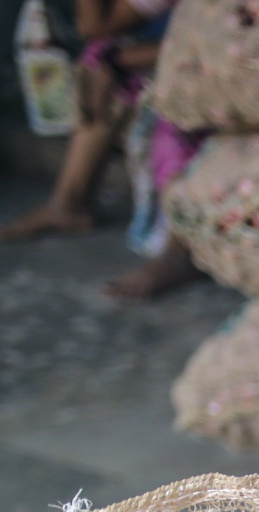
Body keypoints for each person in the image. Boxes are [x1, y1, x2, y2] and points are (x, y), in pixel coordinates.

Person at [3, 0, 200, 299]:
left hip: (235, 58)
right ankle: (69, 203)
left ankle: (180, 252)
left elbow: (217, 42)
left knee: (183, 108)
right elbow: (99, 30)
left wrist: (120, 59)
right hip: (191, 46)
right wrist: (114, 59)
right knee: (99, 59)